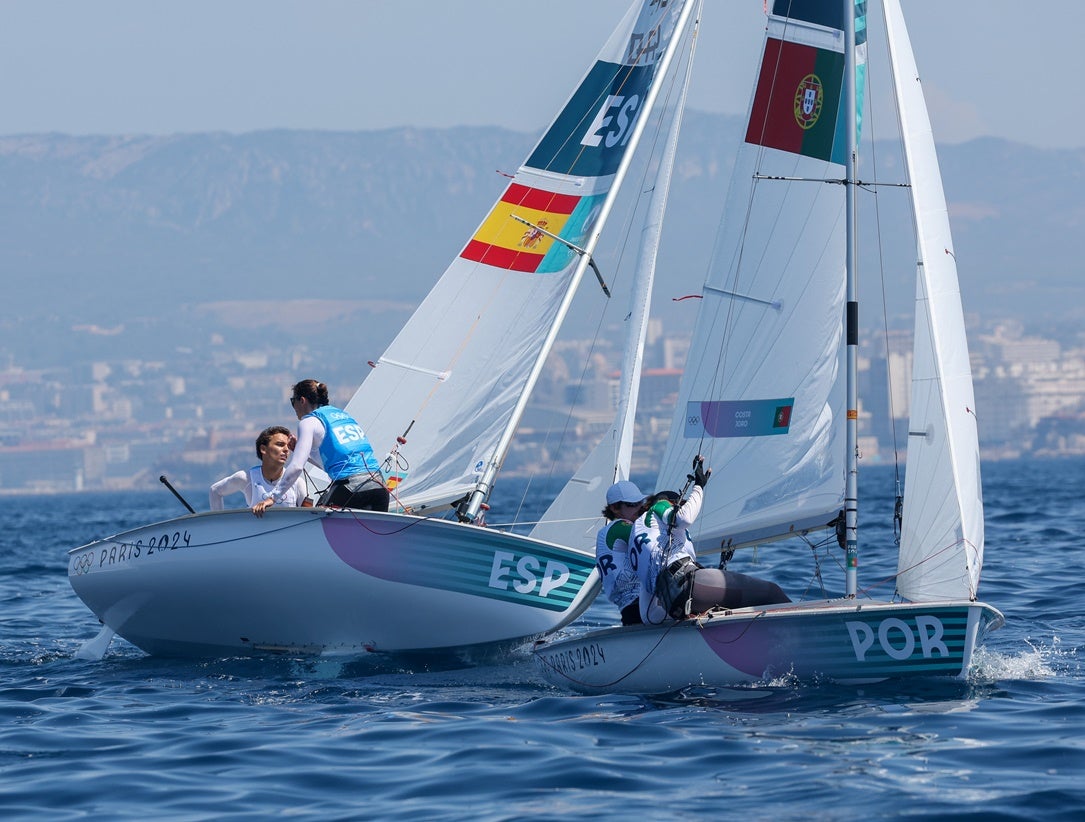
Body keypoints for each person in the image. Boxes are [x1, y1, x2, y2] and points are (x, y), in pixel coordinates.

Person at [630, 456, 790, 624]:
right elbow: (684, 518)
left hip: (678, 602)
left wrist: (683, 616)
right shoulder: (659, 506)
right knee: (772, 592)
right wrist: (698, 486)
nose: (686, 505)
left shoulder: (642, 541)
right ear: (671, 503)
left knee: (744, 604)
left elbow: (649, 616)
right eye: (682, 503)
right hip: (690, 584)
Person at [253, 379, 389, 514]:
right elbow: (333, 465)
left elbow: (296, 467)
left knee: (312, 521)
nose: (293, 407)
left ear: (302, 400)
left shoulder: (309, 421)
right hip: (380, 487)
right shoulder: (344, 416)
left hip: (350, 489)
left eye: (292, 401)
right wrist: (301, 451)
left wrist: (272, 498)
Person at [209, 425, 312, 516]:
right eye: (280, 444)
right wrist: (220, 530)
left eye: (288, 446)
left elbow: (310, 517)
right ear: (263, 449)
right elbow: (215, 491)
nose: (286, 450)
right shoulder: (246, 478)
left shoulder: (297, 483)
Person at [596, 480, 648, 626]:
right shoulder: (622, 527)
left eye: (640, 503)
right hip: (639, 606)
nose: (640, 508)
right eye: (632, 505)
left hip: (630, 607)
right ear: (615, 508)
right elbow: (653, 540)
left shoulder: (604, 532)